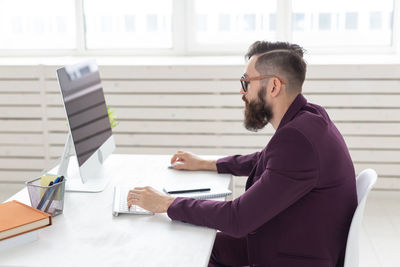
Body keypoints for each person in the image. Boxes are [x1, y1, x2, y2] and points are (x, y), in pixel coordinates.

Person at [127, 41, 357, 267]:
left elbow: (237, 218)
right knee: (198, 243)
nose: (242, 91)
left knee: (192, 246)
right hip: (293, 242)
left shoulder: (298, 140)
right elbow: (264, 159)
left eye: (246, 82)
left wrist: (166, 203)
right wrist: (207, 163)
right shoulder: (309, 117)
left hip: (291, 256)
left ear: (274, 86)